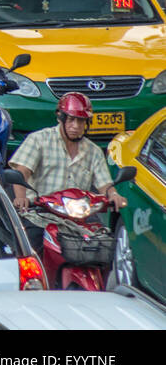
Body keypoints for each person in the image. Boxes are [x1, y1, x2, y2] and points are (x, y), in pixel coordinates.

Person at [9, 92, 129, 250]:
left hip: (79, 218)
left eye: (81, 121)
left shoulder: (93, 151)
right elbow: (22, 171)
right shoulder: (38, 139)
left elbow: (104, 183)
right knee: (30, 254)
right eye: (71, 120)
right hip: (41, 215)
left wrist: (113, 195)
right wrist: (21, 197)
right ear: (60, 118)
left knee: (103, 249)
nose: (76, 126)